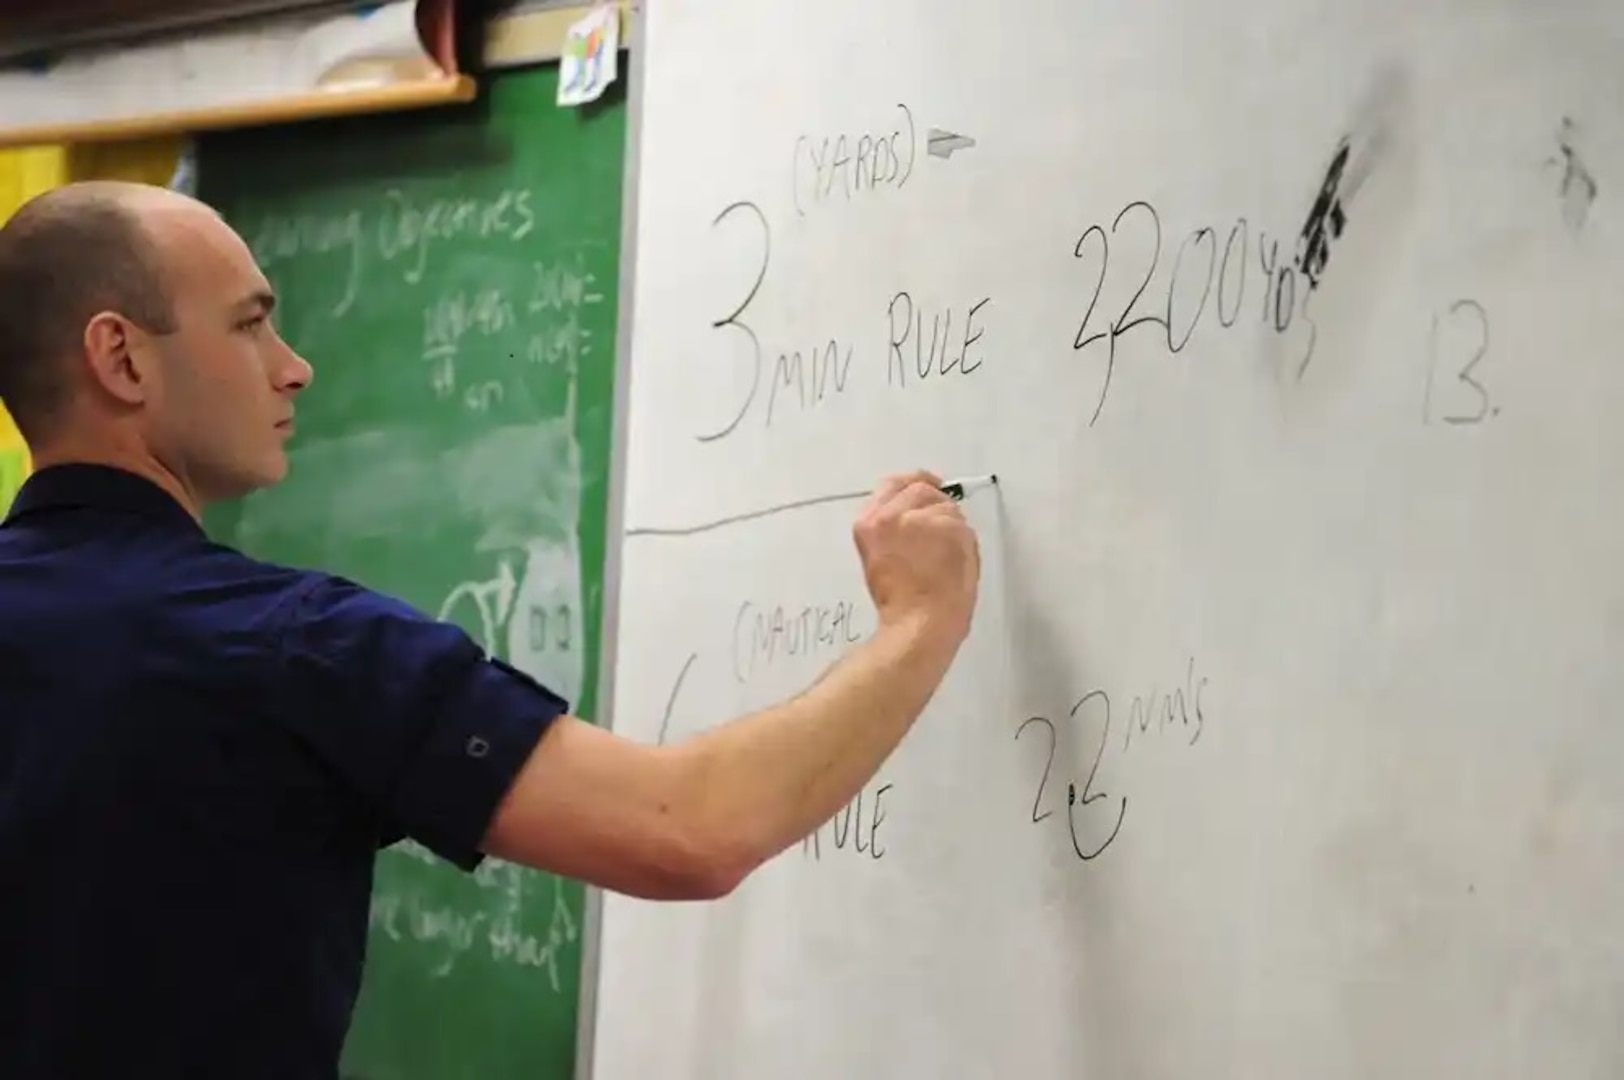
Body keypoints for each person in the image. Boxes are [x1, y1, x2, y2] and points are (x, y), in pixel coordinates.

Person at [0, 180, 981, 1077]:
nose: (292, 367)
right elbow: (690, 829)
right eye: (250, 324)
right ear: (122, 358)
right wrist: (918, 620)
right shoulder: (291, 646)